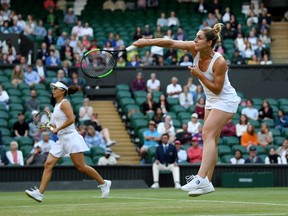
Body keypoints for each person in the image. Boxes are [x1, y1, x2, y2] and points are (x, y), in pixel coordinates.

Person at [133, 23, 239, 196]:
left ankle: (200, 177)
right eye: (196, 37)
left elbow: (217, 89)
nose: (195, 40)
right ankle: (207, 183)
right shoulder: (194, 48)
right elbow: (170, 43)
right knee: (213, 139)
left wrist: (199, 75)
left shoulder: (219, 62)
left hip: (225, 100)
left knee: (207, 134)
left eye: (199, 37)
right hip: (211, 101)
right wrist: (147, 42)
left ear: (210, 42)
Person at [25, 81, 111, 202]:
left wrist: (57, 129)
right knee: (48, 164)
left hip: (71, 138)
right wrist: (50, 127)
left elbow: (72, 119)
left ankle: (104, 183)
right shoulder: (56, 105)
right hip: (61, 140)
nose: (53, 90)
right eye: (53, 88)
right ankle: (40, 193)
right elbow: (55, 124)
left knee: (81, 167)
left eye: (55, 88)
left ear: (62, 91)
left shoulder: (65, 103)